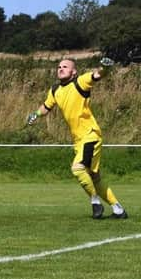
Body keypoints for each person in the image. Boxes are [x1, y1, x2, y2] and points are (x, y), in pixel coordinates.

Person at [27, 57, 127, 219]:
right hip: (79, 140)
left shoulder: (80, 82)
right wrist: (35, 114)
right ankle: (118, 209)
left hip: (90, 135)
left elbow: (97, 76)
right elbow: (46, 106)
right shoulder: (55, 90)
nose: (60, 68)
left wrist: (105, 68)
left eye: (65, 67)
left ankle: (95, 202)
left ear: (73, 72)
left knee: (77, 168)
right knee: (94, 177)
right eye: (59, 66)